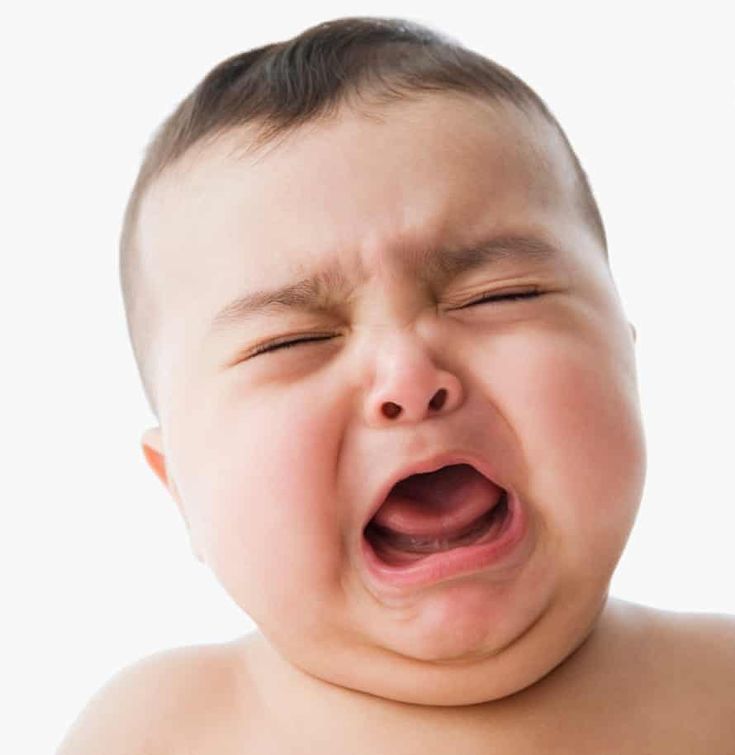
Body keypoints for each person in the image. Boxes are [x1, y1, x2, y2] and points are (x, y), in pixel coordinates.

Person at [58, 16, 735, 753]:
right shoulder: (160, 730)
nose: (409, 378)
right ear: (179, 488)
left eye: (498, 294)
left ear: (626, 368)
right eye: (294, 339)